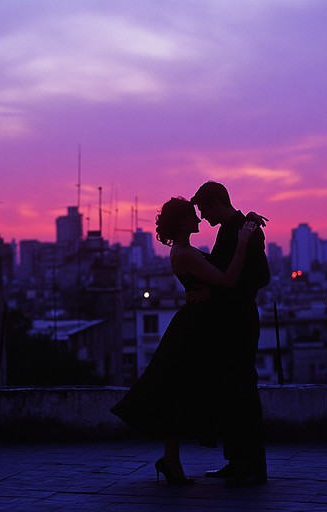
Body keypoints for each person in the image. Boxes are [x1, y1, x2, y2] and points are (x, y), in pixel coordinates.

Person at [110, 197, 258, 485]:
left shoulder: (186, 251)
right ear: (182, 222)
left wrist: (243, 220)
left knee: (179, 391)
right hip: (194, 328)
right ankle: (173, 460)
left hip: (194, 324)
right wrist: (243, 240)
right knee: (182, 391)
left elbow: (215, 278)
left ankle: (171, 459)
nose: (199, 220)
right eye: (193, 215)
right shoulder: (186, 254)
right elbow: (228, 280)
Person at [190, 181, 270, 487]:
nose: (203, 216)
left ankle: (253, 465)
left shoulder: (246, 230)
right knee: (232, 394)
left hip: (239, 322)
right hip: (228, 323)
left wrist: (215, 295)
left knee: (244, 394)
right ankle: (237, 462)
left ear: (217, 203)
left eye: (204, 208)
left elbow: (259, 277)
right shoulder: (230, 229)